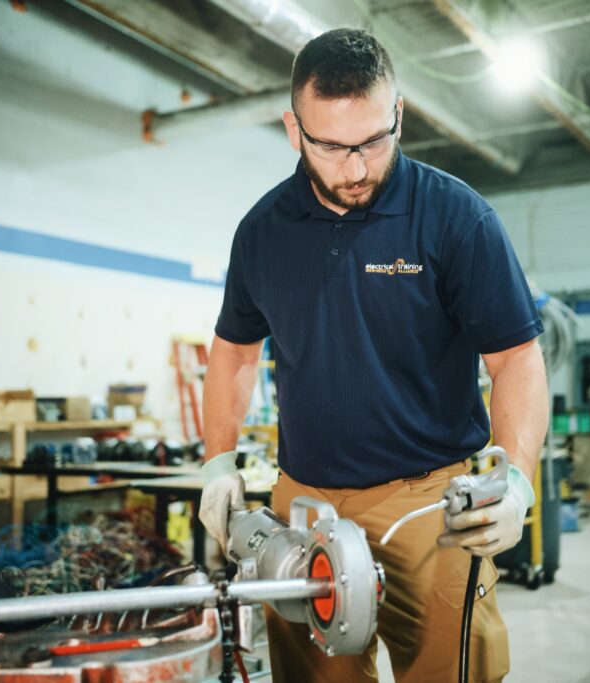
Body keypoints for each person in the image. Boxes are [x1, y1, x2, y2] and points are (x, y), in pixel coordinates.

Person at [199, 28, 548, 683]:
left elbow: (516, 359)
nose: (356, 168)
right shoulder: (262, 233)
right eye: (331, 146)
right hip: (304, 501)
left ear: (399, 113)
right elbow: (235, 351)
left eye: (373, 140)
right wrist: (218, 459)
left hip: (431, 507)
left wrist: (519, 478)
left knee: (453, 669)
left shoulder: (456, 218)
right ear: (292, 127)